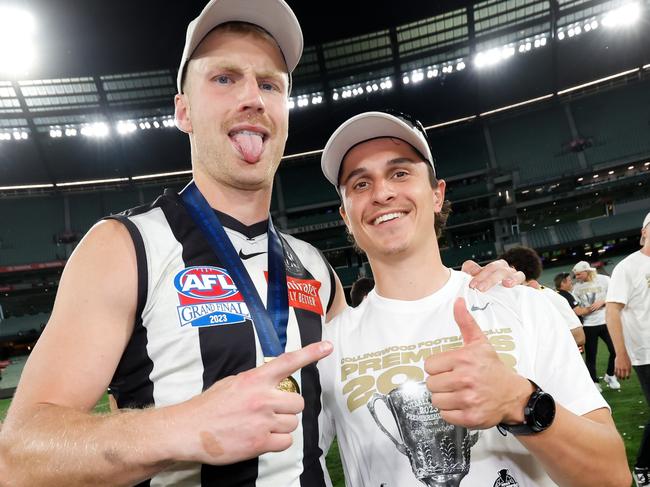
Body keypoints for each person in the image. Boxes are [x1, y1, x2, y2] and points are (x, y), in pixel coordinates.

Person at [0, 2, 521, 485]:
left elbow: (386, 343)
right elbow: (19, 454)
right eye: (225, 78)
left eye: (270, 85)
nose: (252, 97)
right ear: (183, 111)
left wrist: (477, 287)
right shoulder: (125, 246)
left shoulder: (315, 268)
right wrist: (183, 428)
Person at [317, 111, 630, 487]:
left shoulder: (521, 307)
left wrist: (519, 402)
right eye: (360, 184)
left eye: (400, 173)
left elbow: (611, 476)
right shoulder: (329, 347)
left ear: (437, 194)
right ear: (345, 216)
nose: (382, 193)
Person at [606, 212, 650, 487]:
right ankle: (644, 466)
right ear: (646, 231)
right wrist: (620, 353)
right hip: (646, 352)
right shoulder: (628, 267)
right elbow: (612, 311)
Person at [501, 246, 585, 347]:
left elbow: (579, 337)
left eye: (503, 270)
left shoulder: (550, 297)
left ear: (512, 269)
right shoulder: (513, 300)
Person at [572, 260, 621, 391]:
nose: (576, 277)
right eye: (575, 275)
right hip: (588, 325)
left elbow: (615, 293)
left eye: (578, 274)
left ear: (587, 271)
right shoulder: (576, 288)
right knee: (591, 356)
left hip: (605, 321)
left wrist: (602, 301)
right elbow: (577, 308)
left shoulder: (604, 279)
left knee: (615, 350)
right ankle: (594, 382)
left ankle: (610, 375)